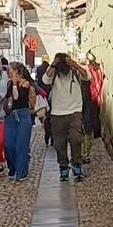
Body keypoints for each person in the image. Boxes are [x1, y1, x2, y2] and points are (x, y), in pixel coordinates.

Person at [44, 51, 89, 182]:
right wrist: (53, 64)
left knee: (76, 139)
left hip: (75, 111)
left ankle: (77, 165)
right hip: (57, 113)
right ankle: (63, 167)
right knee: (59, 143)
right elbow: (45, 80)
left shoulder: (75, 72)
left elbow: (87, 77)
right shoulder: (54, 73)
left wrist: (76, 65)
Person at [4, 63, 36, 183]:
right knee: (9, 145)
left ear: (18, 72)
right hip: (11, 116)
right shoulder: (9, 83)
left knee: (21, 145)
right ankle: (14, 166)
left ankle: (22, 172)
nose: (9, 72)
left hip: (23, 115)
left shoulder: (25, 84)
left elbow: (17, 97)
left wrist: (15, 84)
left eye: (11, 70)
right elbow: (9, 98)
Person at [35, 56, 53, 147]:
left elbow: (37, 81)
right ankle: (52, 137)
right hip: (49, 92)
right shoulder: (50, 68)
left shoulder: (38, 69)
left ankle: (44, 121)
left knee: (44, 111)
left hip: (42, 92)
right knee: (51, 112)